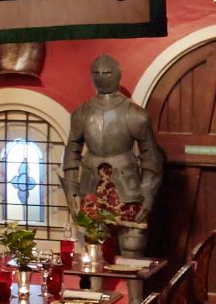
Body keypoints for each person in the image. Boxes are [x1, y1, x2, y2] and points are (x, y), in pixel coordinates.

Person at [62, 54, 163, 247]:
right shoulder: (81, 113)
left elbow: (151, 156)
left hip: (128, 189)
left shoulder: (135, 114)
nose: (101, 75)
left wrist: (148, 194)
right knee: (93, 247)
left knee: (132, 245)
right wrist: (71, 192)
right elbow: (72, 151)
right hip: (91, 188)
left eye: (106, 72)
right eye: (96, 72)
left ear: (117, 74)